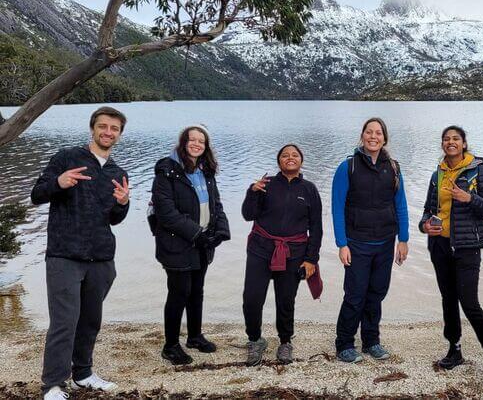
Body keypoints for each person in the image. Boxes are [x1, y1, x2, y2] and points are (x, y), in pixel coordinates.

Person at [32, 107, 130, 400]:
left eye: (114, 128)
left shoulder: (117, 172)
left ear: (120, 135)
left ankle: (83, 374)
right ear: (92, 128)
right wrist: (58, 183)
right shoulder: (67, 158)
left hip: (101, 258)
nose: (108, 132)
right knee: (64, 322)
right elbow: (37, 194)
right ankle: (52, 384)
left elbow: (113, 219)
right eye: (103, 126)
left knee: (90, 321)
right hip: (65, 255)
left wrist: (123, 203)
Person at [419, 125, 483, 386]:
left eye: (455, 139)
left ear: (464, 143)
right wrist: (424, 225)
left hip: (467, 247)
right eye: (446, 139)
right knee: (448, 299)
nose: (450, 143)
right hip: (440, 246)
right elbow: (427, 209)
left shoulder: (478, 170)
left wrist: (468, 198)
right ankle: (455, 348)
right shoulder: (438, 173)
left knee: (469, 303)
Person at [331, 117, 409, 363]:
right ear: (362, 135)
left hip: (385, 243)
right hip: (357, 243)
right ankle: (344, 343)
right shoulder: (348, 167)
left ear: (384, 138)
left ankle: (371, 341)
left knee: (376, 294)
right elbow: (337, 207)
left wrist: (403, 239)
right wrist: (341, 243)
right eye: (369, 132)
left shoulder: (394, 167)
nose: (373, 136)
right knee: (355, 295)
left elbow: (401, 205)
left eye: (378, 133)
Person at [151, 125, 230, 365]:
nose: (196, 144)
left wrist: (221, 231)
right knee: (179, 293)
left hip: (202, 243)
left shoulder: (205, 171)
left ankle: (194, 336)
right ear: (183, 142)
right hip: (177, 243)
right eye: (192, 140)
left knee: (197, 291)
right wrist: (197, 234)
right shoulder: (167, 170)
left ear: (206, 147)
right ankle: (171, 345)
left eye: (201, 141)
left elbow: (215, 204)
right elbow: (166, 213)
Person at [241, 144, 323, 365]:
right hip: (260, 249)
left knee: (286, 300)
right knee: (252, 298)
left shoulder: (309, 189)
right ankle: (255, 340)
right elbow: (248, 215)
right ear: (278, 161)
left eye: (295, 155)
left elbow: (316, 228)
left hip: (294, 253)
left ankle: (285, 341)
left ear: (301, 161)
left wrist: (311, 259)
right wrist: (252, 192)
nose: (290, 158)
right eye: (285, 155)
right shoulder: (265, 185)